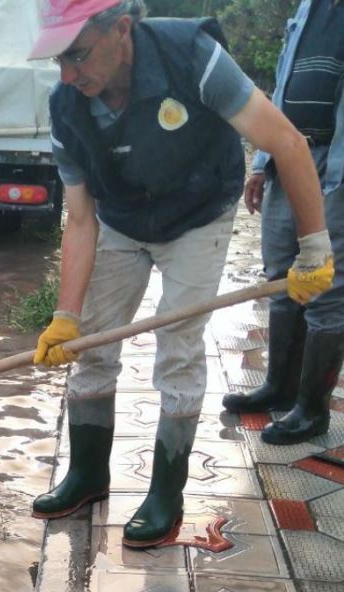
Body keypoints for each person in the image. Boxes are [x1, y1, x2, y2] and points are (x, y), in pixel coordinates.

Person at [25, 0, 335, 548]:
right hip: (122, 218)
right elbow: (79, 218)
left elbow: (286, 142)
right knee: (92, 346)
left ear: (122, 28)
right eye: (58, 61)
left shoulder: (194, 58)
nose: (69, 75)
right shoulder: (66, 106)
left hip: (198, 214)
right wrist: (66, 317)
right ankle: (87, 475)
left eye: (77, 55)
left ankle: (166, 490)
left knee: (178, 343)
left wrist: (314, 251)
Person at [221, 0, 344, 446]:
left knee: (326, 287)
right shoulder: (308, 8)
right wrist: (262, 160)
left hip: (334, 164)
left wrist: (334, 180)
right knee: (280, 277)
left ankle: (312, 410)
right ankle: (280, 386)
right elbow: (283, 86)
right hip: (288, 155)